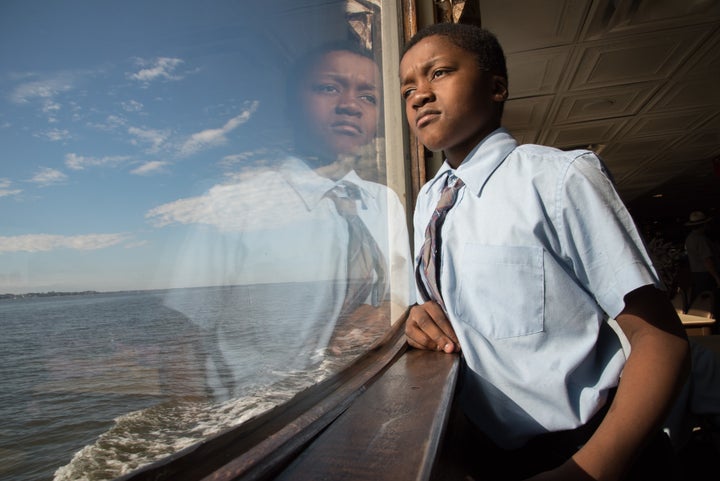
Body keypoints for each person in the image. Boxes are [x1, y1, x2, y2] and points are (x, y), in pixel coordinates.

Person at [399, 22, 691, 480]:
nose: (419, 95)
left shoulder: (558, 179)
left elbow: (661, 339)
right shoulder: (429, 202)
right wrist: (420, 317)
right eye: (407, 89)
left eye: (438, 73)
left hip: (590, 448)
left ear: (496, 86)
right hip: (488, 453)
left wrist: (585, 470)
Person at [158, 41, 414, 401]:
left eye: (368, 97)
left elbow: (402, 297)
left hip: (369, 396)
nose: (350, 106)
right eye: (328, 88)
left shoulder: (384, 203)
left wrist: (387, 311)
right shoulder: (231, 202)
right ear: (290, 108)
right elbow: (181, 345)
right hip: (261, 419)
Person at [684, 210, 719, 321]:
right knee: (711, 302)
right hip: (705, 275)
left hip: (696, 274)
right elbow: (707, 260)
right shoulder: (700, 239)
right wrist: (717, 278)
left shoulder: (690, 238)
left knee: (701, 302)